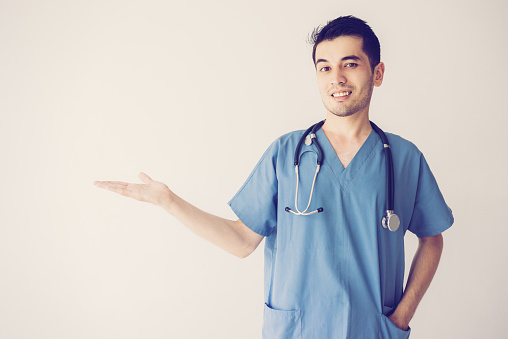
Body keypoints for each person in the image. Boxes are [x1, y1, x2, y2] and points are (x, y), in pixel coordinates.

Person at [94, 15, 454, 339]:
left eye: (350, 64)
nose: (337, 78)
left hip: (372, 331)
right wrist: (168, 202)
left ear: (377, 72)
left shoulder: (404, 158)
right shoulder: (286, 155)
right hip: (296, 331)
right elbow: (240, 241)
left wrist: (401, 317)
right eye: (324, 68)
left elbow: (431, 238)